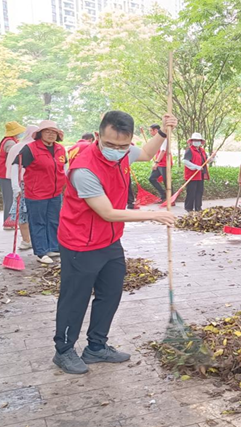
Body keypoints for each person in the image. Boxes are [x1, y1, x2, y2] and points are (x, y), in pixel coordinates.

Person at [52, 110, 178, 375]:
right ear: (98, 136)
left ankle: (96, 346)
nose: (117, 151)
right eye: (110, 145)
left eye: (123, 145)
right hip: (80, 243)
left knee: (110, 294)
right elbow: (107, 212)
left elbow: (144, 154)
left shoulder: (124, 152)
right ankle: (63, 350)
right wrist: (153, 214)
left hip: (109, 240)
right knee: (75, 299)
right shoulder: (84, 168)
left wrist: (164, 133)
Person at [10, 120, 67, 265]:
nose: (50, 134)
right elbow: (16, 165)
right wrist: (16, 187)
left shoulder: (60, 149)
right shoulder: (30, 149)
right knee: (38, 222)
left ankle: (53, 247)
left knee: (54, 221)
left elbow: (64, 167)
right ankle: (41, 252)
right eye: (47, 131)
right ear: (40, 134)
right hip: (36, 193)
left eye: (53, 132)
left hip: (55, 193)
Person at [5, 125, 37, 251]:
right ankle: (33, 240)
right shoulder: (33, 148)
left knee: (22, 212)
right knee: (33, 213)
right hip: (31, 184)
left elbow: (9, 167)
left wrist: (15, 186)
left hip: (18, 183)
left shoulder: (16, 146)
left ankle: (25, 240)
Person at [0, 121, 26, 229]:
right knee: (10, 198)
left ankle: (10, 222)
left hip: (3, 173)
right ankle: (8, 222)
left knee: (9, 198)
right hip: (6, 174)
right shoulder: (10, 143)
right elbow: (15, 157)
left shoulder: (7, 140)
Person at [182, 132, 213, 212]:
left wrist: (211, 159)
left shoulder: (202, 151)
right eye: (195, 140)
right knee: (191, 192)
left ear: (201, 142)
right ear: (192, 141)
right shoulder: (189, 150)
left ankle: (198, 207)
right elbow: (185, 161)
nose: (196, 141)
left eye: (198, 140)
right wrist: (195, 167)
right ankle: (189, 208)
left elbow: (205, 161)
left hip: (200, 175)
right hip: (192, 175)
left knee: (199, 192)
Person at [147, 123, 169, 201]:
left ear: (156, 130)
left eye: (151, 131)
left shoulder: (163, 138)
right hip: (160, 163)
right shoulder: (157, 139)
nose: (150, 133)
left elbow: (163, 151)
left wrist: (156, 162)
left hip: (164, 163)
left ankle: (170, 199)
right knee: (152, 178)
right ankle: (163, 194)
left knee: (167, 181)